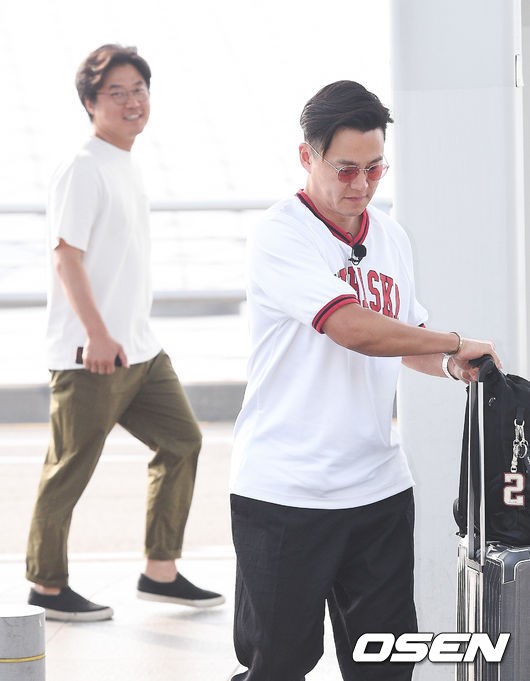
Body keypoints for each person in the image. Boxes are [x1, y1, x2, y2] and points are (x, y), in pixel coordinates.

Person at [229, 80, 501, 681]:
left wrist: (450, 364)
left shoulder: (390, 236)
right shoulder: (281, 234)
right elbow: (353, 329)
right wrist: (453, 342)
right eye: (346, 169)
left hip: (378, 489)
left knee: (386, 665)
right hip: (286, 492)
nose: (362, 185)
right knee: (278, 665)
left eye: (375, 169)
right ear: (307, 157)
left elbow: (406, 336)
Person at [26, 44, 224, 622]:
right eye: (118, 92)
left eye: (139, 89)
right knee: (69, 468)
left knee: (182, 441)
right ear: (90, 102)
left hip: (140, 349)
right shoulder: (82, 167)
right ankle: (46, 587)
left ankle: (160, 572)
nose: (133, 101)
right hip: (91, 354)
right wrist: (97, 334)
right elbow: (66, 257)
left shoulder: (124, 162)